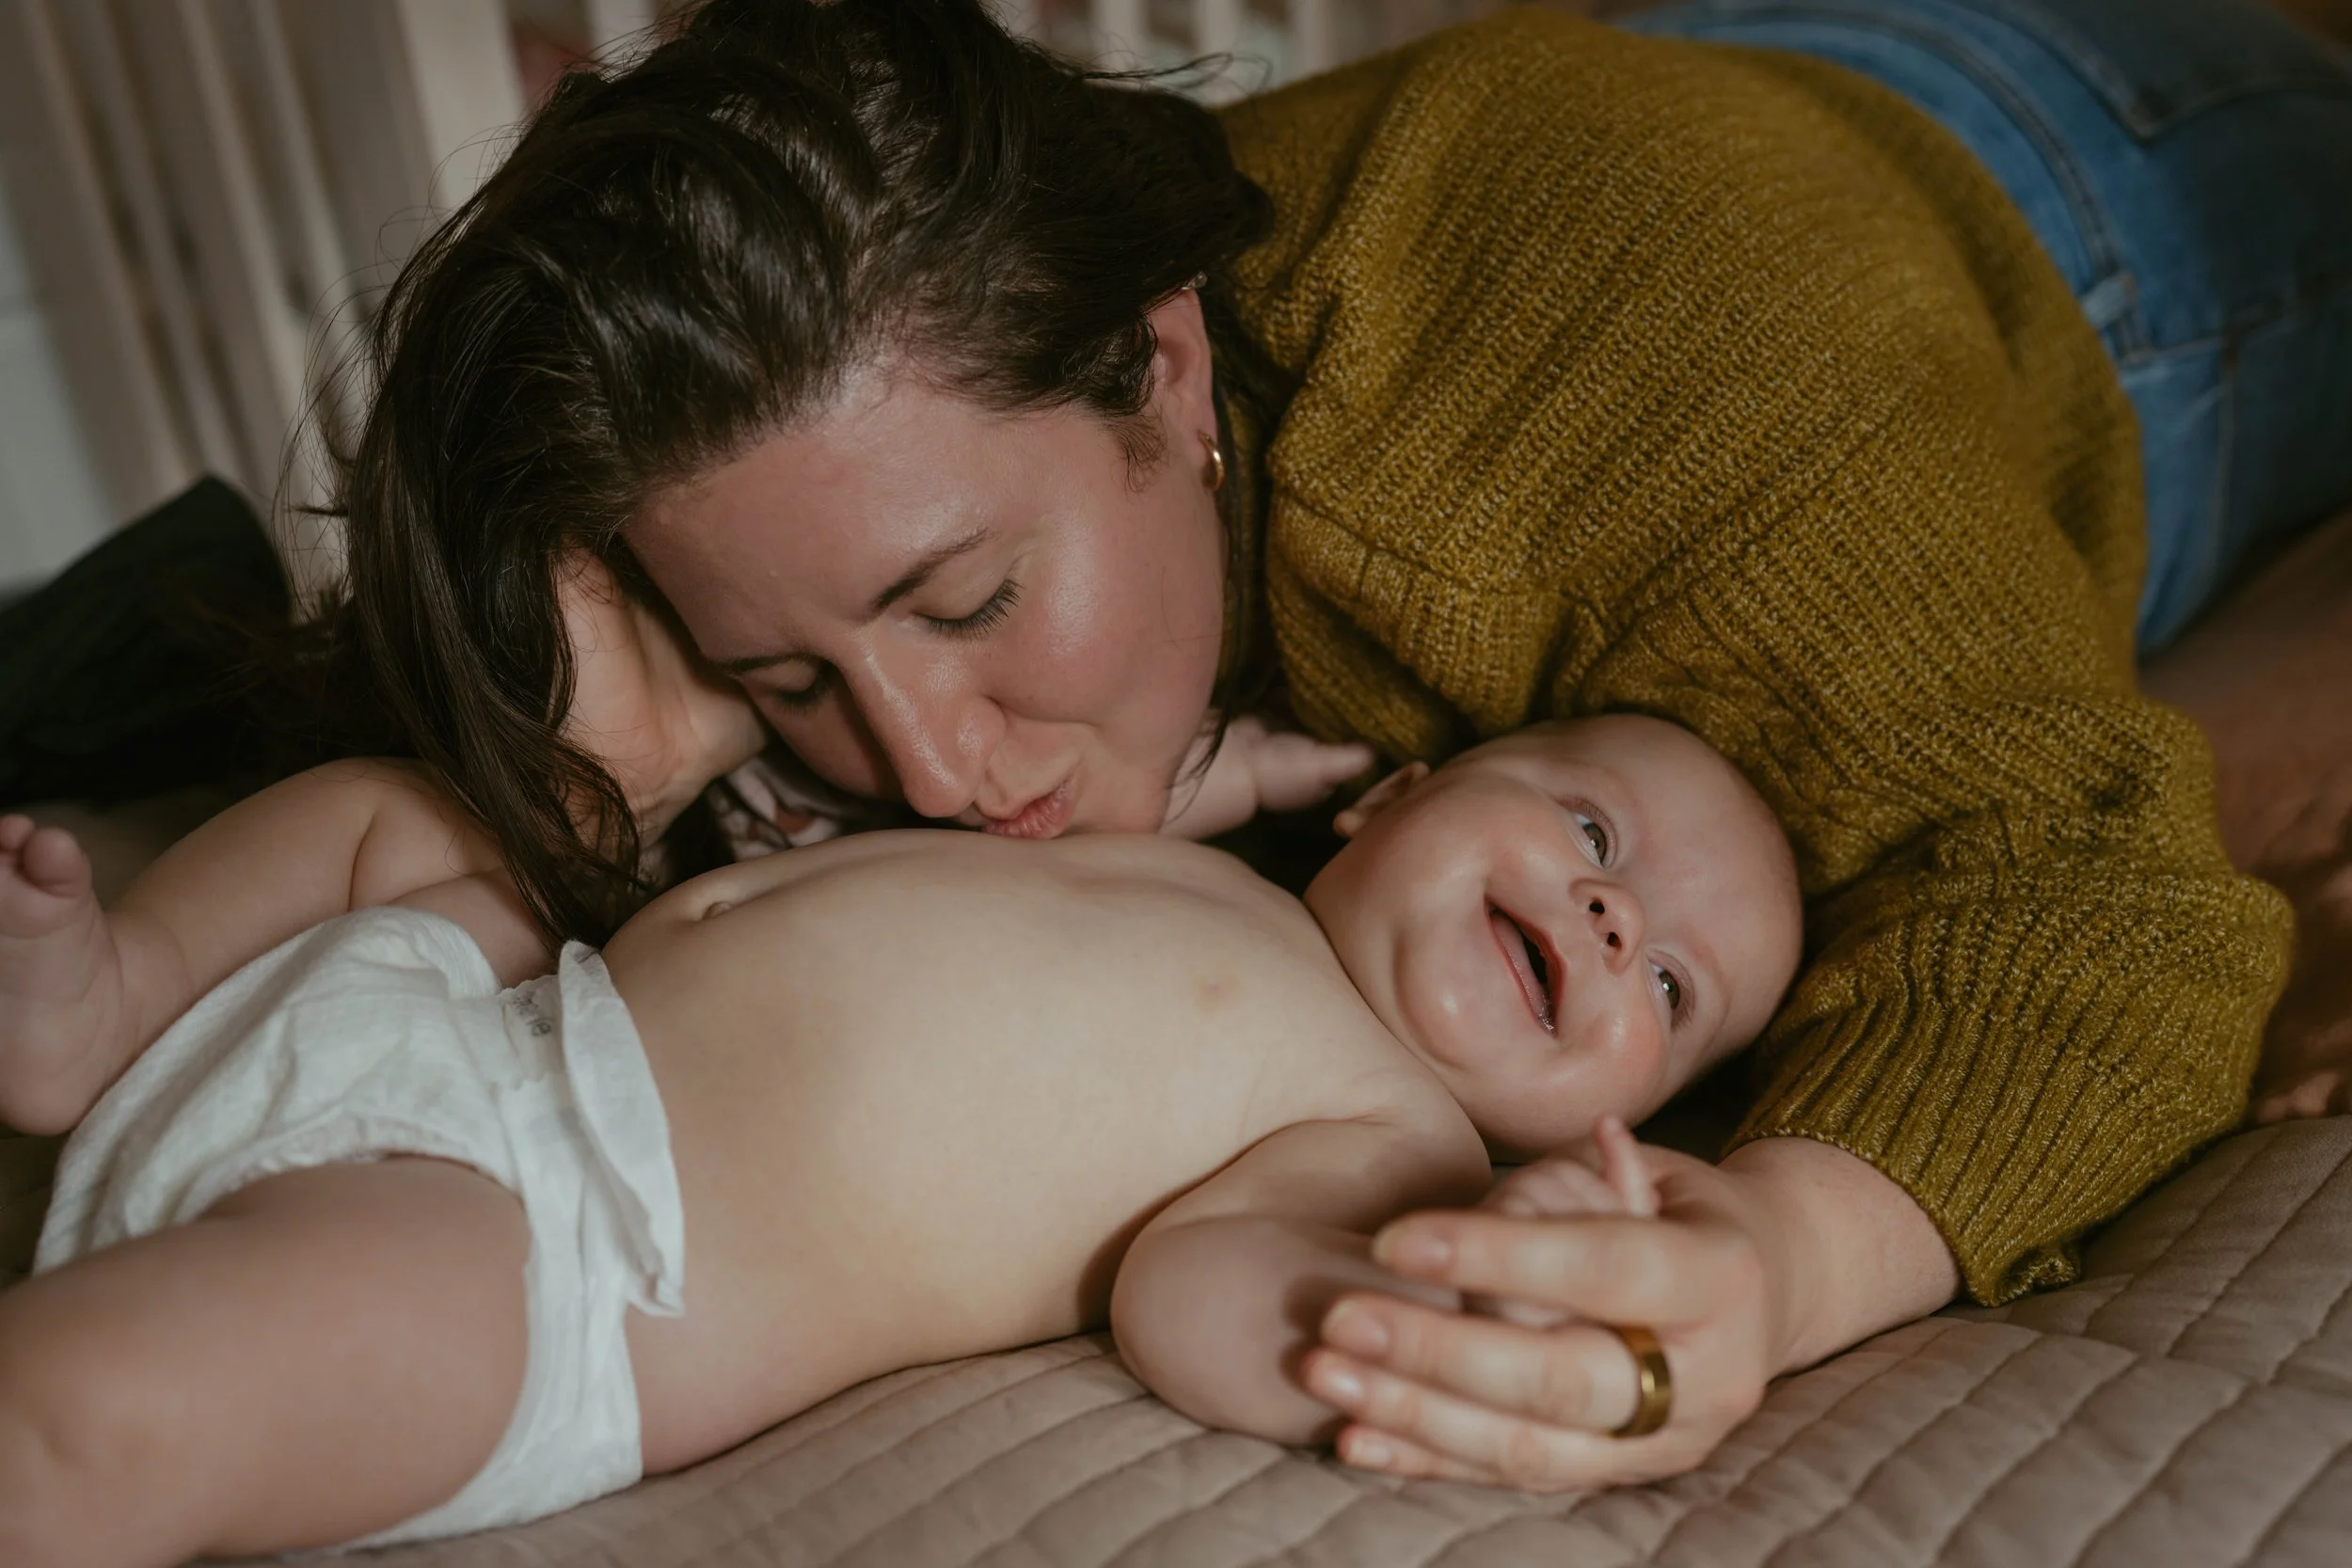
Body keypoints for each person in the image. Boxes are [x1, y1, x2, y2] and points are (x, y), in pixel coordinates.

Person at [295, 0, 2345, 1490]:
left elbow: (2093, 890)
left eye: (965, 603)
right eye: (794, 673)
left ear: (1163, 368)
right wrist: (644, 737)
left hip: (2109, 179)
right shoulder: (924, 414)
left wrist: (1773, 1255)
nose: (922, 764)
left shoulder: (1654, 387)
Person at [0, 715, 1799, 1561]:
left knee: (88, 1415)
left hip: (558, 1258)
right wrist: (1234, 777)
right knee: (404, 809)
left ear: (1628, 1109)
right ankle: (112, 998)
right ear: (1405, 788)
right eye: (1593, 825)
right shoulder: (1209, 864)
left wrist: (1472, 1314)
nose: (1613, 918)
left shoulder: (1385, 1135)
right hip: (477, 1015)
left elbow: (1211, 1288)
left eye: (1679, 989)